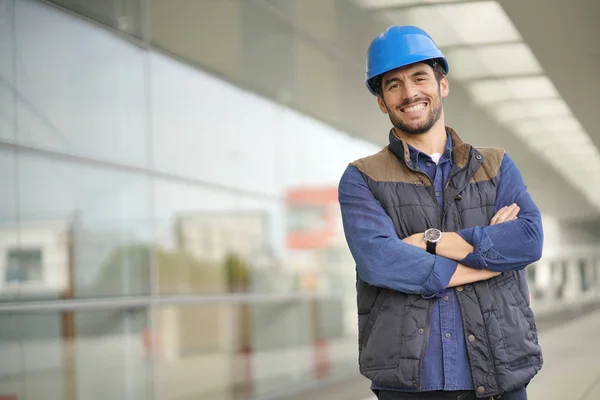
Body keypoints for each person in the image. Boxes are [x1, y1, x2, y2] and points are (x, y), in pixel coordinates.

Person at [338, 25, 544, 400]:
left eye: (419, 77)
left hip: (501, 371)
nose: (410, 92)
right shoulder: (361, 178)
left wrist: (431, 242)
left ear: (442, 85)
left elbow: (528, 240)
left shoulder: (495, 165)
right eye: (393, 85)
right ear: (382, 101)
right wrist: (490, 262)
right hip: (411, 383)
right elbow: (380, 262)